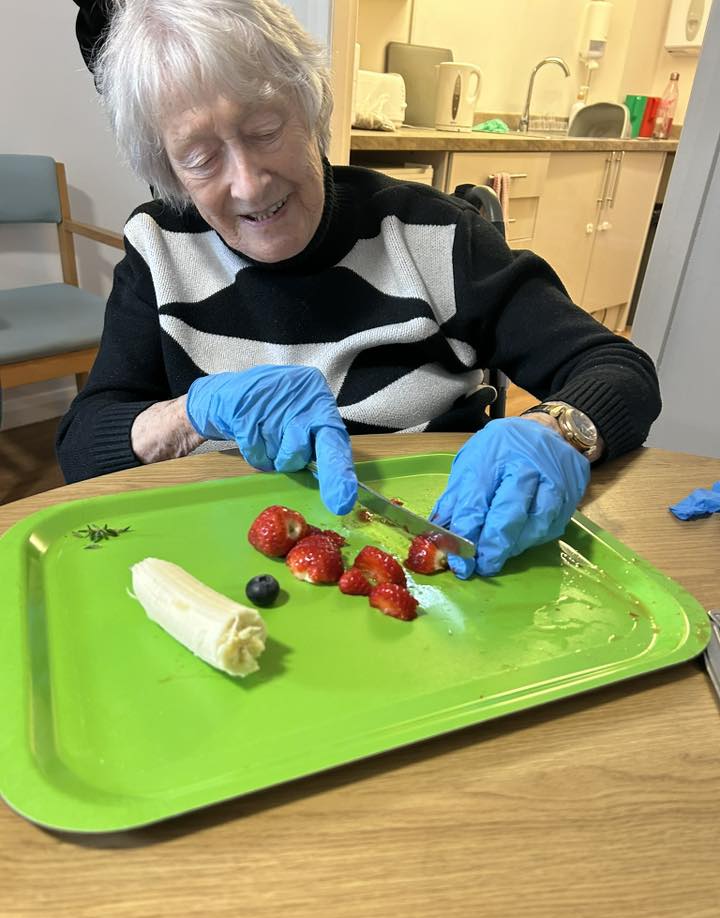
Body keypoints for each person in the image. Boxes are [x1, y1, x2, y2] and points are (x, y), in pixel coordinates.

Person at [57, 0, 661, 578]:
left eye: (266, 129)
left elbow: (616, 367)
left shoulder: (432, 233)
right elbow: (83, 446)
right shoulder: (158, 245)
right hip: (232, 564)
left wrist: (555, 431)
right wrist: (188, 414)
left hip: (447, 563)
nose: (248, 184)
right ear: (166, 168)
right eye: (199, 158)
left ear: (310, 104)